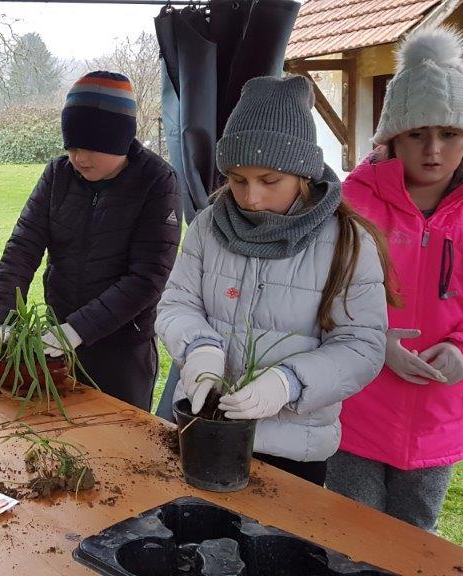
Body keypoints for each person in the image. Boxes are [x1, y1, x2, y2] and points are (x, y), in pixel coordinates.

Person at [155, 75, 396, 486]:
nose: (251, 198)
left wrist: (290, 382)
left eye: (270, 181)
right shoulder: (209, 226)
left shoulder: (346, 243)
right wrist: (199, 348)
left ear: (303, 173)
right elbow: (177, 303)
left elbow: (362, 345)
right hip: (202, 428)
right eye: (237, 179)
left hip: (292, 449)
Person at [327, 27, 463, 531]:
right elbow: (319, 293)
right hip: (357, 406)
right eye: (417, 134)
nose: (434, 150)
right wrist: (371, 341)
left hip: (440, 412)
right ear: (392, 137)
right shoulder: (352, 201)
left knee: (417, 538)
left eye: (450, 133)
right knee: (353, 535)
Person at [0, 71, 181, 410]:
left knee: (118, 444)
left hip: (122, 350)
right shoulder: (57, 176)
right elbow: (22, 248)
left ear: (119, 141)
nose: (79, 158)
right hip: (55, 340)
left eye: (91, 148)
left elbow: (147, 278)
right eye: (72, 146)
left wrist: (76, 330)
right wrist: (3, 318)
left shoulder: (157, 182)